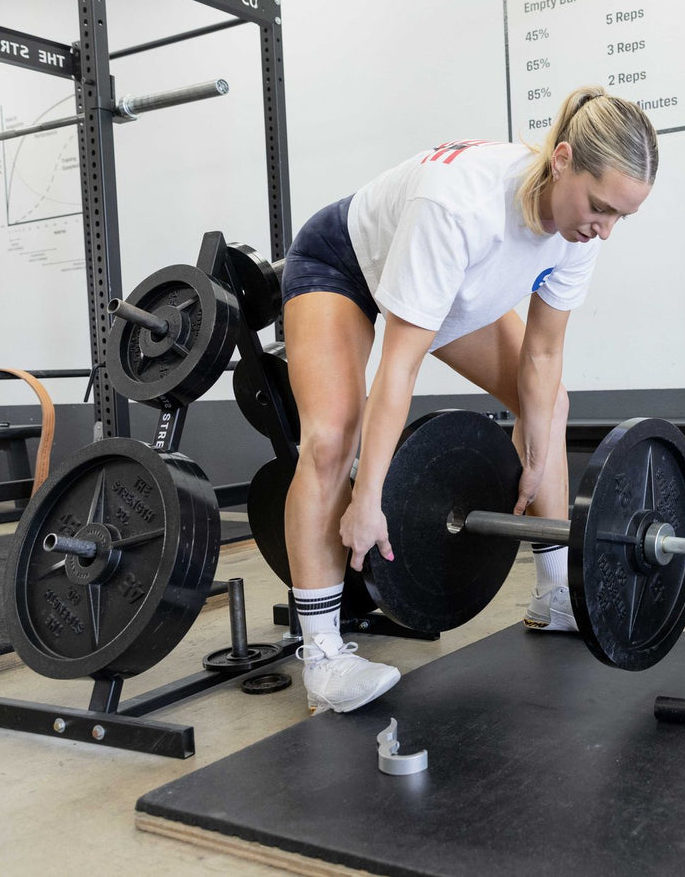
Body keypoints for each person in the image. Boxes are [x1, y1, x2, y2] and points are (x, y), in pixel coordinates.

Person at [278, 86, 659, 713]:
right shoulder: (459, 207)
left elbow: (541, 357)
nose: (606, 230)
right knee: (330, 438)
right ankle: (322, 658)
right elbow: (399, 368)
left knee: (551, 405)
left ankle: (555, 592)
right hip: (344, 264)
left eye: (622, 216)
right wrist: (368, 501)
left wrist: (535, 450)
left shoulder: (579, 231)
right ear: (562, 158)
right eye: (600, 207)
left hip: (450, 284)